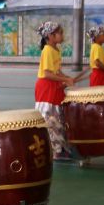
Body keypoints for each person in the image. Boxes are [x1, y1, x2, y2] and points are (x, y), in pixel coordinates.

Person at [34, 22, 76, 160]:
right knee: (50, 119)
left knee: (58, 117)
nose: (62, 35)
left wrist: (67, 78)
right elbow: (47, 74)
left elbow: (56, 71)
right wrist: (64, 79)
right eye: (60, 33)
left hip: (54, 86)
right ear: (51, 36)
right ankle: (55, 150)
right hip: (46, 88)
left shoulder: (56, 50)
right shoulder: (47, 50)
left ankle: (61, 147)